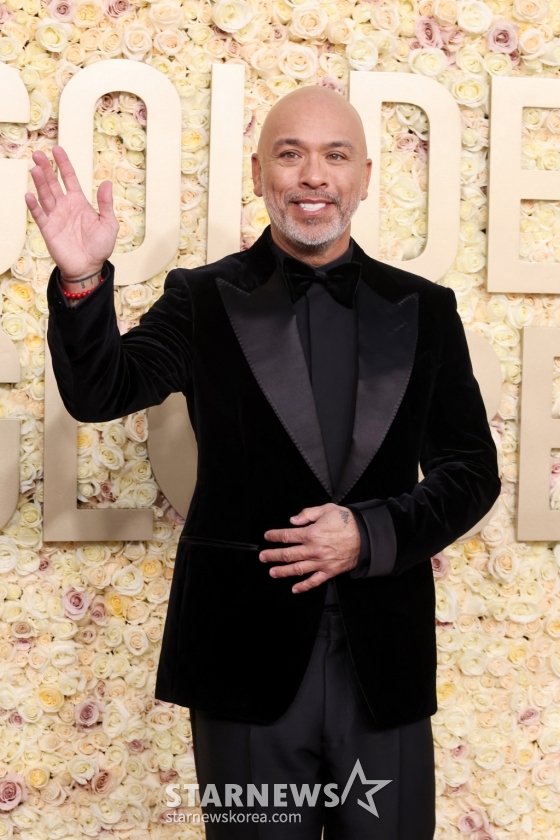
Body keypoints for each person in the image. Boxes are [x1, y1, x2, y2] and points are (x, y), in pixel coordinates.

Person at [28, 85, 500, 839]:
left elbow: (472, 469)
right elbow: (101, 389)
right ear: (258, 174)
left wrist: (369, 534)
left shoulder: (427, 308)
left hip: (383, 664)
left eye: (335, 155)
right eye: (290, 154)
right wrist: (83, 280)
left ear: (365, 176)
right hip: (241, 664)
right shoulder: (201, 298)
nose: (313, 175)